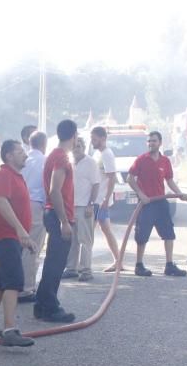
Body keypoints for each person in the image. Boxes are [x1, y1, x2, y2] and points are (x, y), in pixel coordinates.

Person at [0, 140, 37, 346]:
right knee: (14, 280)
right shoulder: (3, 175)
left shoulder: (16, 177)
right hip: (5, 236)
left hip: (12, 237)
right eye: (20, 151)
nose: (25, 154)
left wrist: (23, 234)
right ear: (9, 156)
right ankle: (10, 330)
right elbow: (1, 202)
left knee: (1, 282)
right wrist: (21, 231)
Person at [33, 119, 78, 322]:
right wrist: (64, 221)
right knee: (56, 263)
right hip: (59, 215)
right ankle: (50, 307)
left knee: (53, 261)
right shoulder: (61, 157)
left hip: (53, 213)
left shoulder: (53, 155)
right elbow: (54, 190)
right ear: (74, 135)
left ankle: (42, 305)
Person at [127, 131, 187, 277]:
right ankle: (139, 265)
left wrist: (180, 194)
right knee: (141, 236)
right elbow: (130, 179)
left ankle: (169, 265)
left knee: (169, 234)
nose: (151, 143)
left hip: (160, 202)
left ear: (160, 143)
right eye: (149, 141)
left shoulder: (165, 161)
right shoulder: (141, 160)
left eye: (153, 141)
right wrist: (141, 195)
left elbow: (170, 180)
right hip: (146, 204)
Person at [62, 136, 99, 282]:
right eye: (74, 146)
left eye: (79, 146)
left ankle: (86, 270)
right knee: (72, 240)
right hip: (70, 206)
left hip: (85, 206)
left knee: (85, 240)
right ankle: (71, 268)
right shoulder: (68, 162)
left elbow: (96, 184)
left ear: (83, 148)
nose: (76, 149)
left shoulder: (90, 163)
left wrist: (91, 204)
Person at [19, 130, 48, 301]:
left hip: (18, 205)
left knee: (20, 245)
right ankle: (26, 288)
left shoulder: (23, 159)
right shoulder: (44, 161)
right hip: (36, 205)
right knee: (32, 246)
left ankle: (15, 284)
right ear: (44, 144)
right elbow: (46, 186)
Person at [90, 126, 124, 272]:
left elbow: (112, 178)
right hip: (97, 199)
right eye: (91, 139)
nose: (92, 142)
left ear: (103, 138)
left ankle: (83, 264)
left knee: (89, 231)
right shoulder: (98, 154)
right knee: (105, 229)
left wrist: (106, 199)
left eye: (94, 139)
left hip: (100, 201)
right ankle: (118, 260)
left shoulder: (107, 154)